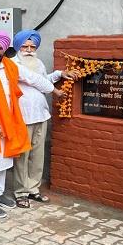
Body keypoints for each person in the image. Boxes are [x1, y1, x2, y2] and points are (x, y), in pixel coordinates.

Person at [0, 30, 54, 218]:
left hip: (7, 121)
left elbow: (33, 78)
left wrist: (52, 89)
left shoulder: (9, 66)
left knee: (4, 159)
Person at [10, 29, 77, 208]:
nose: (29, 49)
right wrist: (54, 90)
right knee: (22, 156)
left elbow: (42, 79)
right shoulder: (12, 64)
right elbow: (34, 81)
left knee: (37, 155)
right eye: (25, 46)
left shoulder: (38, 62)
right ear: (18, 47)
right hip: (23, 116)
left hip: (41, 113)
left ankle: (33, 189)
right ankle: (20, 192)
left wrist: (58, 75)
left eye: (32, 46)